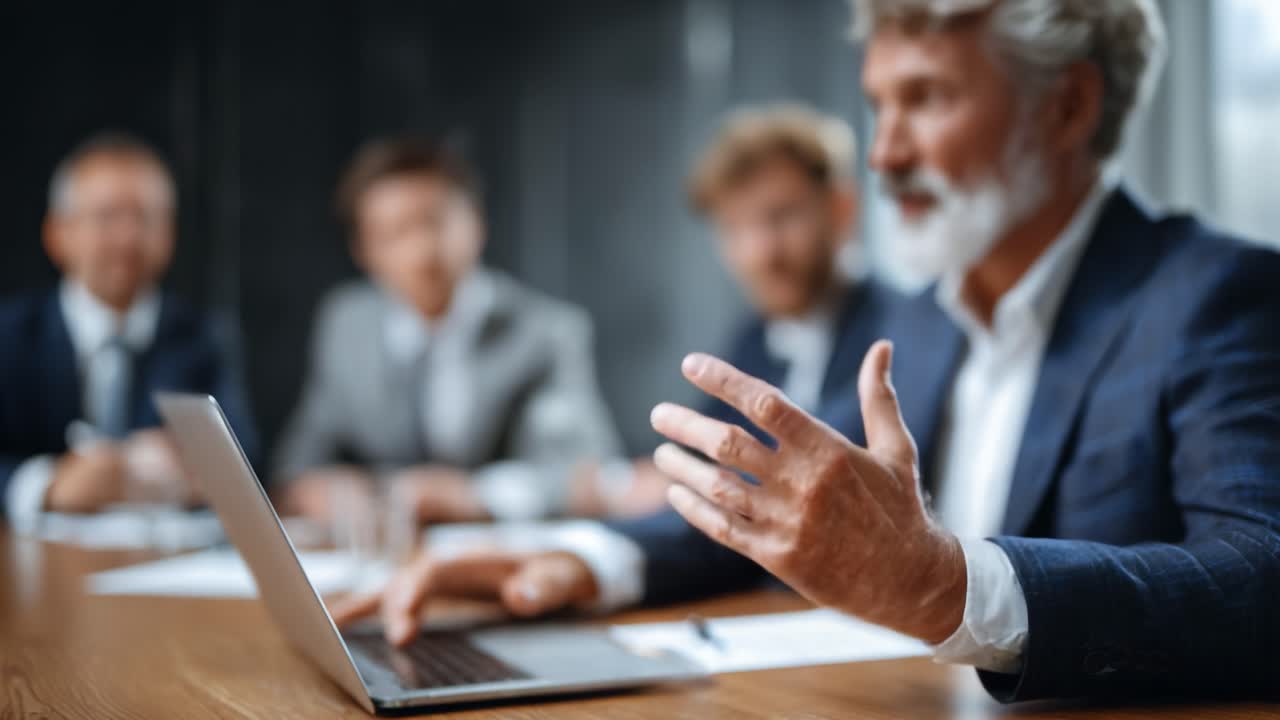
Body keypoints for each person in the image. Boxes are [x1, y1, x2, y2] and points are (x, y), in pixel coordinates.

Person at [334, 0, 1280, 702]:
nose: (883, 154)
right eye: (878, 106)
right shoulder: (926, 318)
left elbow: (1262, 580)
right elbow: (784, 502)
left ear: (1068, 108)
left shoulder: (1214, 295)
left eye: (927, 99)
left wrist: (945, 585)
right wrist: (571, 557)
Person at [275, 136, 622, 525]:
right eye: (393, 233)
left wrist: (475, 495)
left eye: (435, 223)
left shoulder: (545, 331)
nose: (421, 251)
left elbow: (584, 470)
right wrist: (324, 491)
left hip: (498, 543)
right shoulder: (347, 325)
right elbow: (301, 460)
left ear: (477, 223)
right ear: (363, 251)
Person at [572, 104, 898, 518]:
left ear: (841, 208)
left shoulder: (899, 330)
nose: (760, 253)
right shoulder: (752, 340)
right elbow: (687, 457)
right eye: (734, 227)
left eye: (782, 216)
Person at [0, 133, 258, 530]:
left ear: (170, 233)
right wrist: (48, 485)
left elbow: (245, 461)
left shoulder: (202, 339)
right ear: (58, 233)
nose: (128, 238)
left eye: (146, 217)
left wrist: (187, 471)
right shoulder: (11, 336)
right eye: (107, 217)